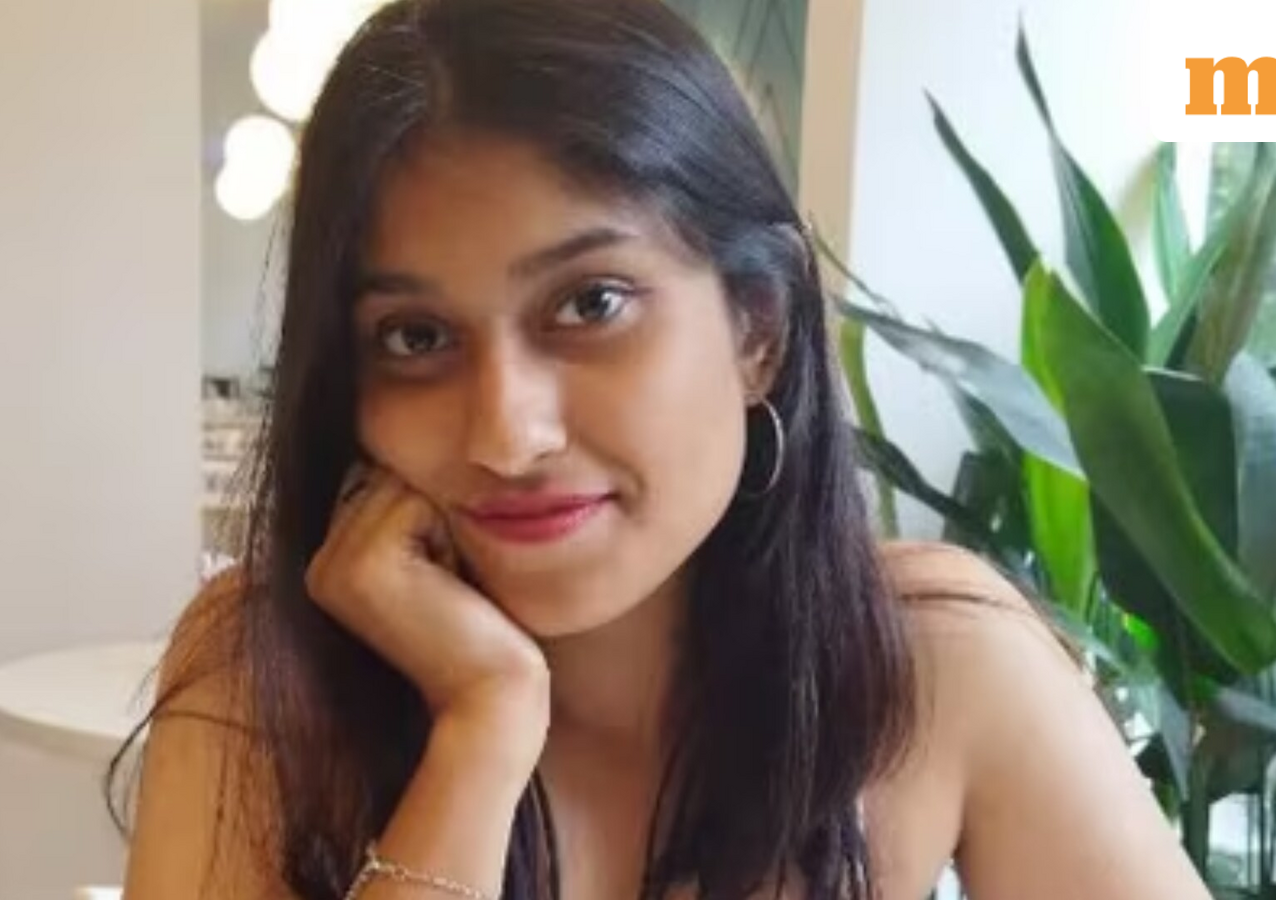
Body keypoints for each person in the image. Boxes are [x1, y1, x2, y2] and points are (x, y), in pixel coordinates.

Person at [116, 1, 1211, 898]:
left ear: (757, 330)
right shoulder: (266, 672)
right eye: (414, 337)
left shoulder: (936, 661)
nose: (507, 434)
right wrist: (481, 733)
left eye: (591, 303)